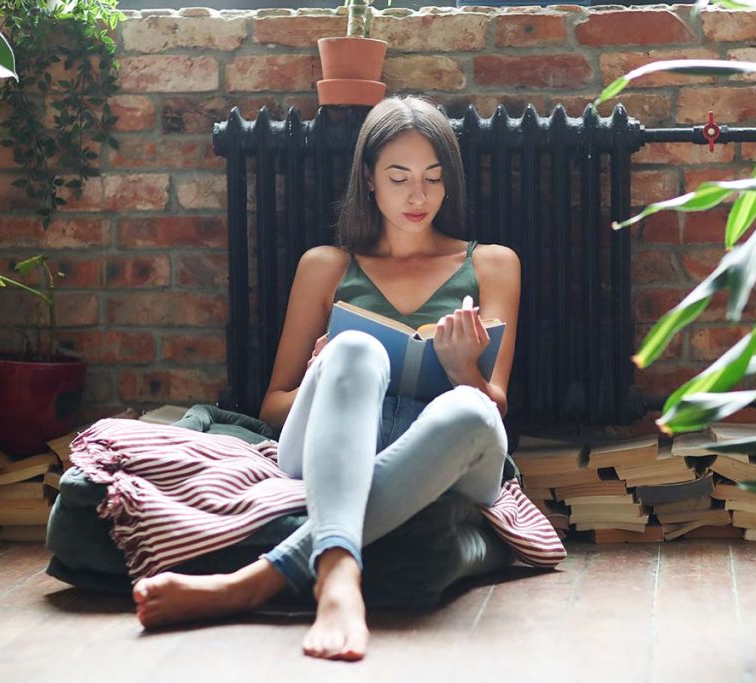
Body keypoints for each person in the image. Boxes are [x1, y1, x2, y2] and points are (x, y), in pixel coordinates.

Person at [130, 97, 521, 662]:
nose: (419, 196)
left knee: (473, 411)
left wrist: (463, 370)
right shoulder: (326, 266)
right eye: (400, 177)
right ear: (368, 178)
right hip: (332, 434)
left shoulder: (493, 264)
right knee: (357, 348)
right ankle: (336, 576)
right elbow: (273, 406)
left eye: (434, 180)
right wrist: (324, 369)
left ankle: (256, 580)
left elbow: (497, 407)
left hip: (446, 447)